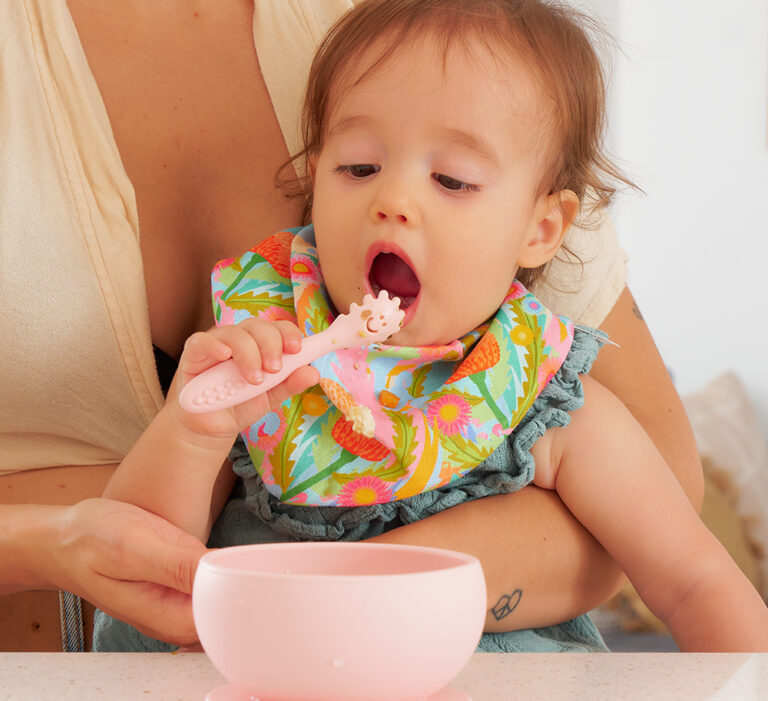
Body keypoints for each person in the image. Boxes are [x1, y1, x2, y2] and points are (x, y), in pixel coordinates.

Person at [0, 0, 702, 652]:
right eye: (359, 167)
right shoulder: (267, 368)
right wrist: (186, 435)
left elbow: (692, 575)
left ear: (544, 228)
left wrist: (357, 590)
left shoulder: (544, 399)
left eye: (452, 181)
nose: (394, 199)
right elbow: (141, 544)